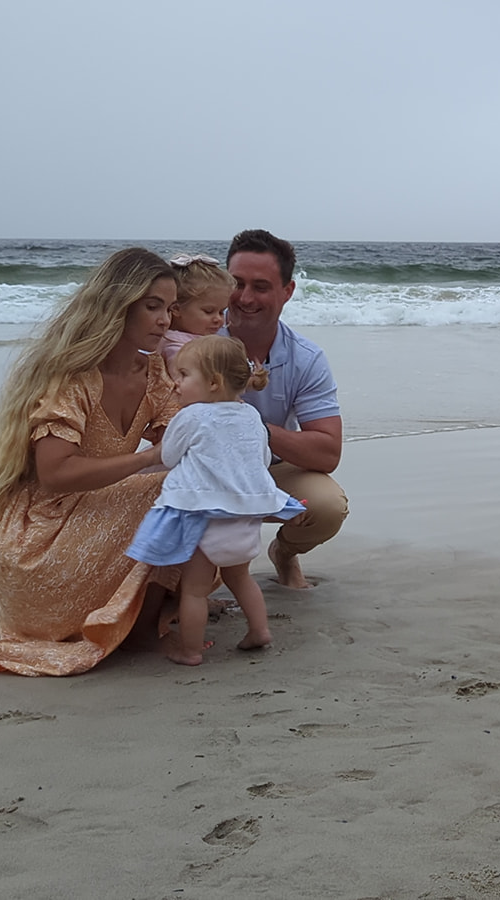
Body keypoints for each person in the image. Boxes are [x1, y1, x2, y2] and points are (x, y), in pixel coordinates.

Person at [0, 247, 181, 676]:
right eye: (152, 306)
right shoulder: (73, 376)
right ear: (117, 305)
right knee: (171, 486)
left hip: (88, 525)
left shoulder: (154, 373)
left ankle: (152, 612)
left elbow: (182, 440)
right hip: (37, 552)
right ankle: (140, 631)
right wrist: (150, 457)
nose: (165, 320)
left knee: (192, 480)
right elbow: (55, 473)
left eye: (172, 309)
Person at [126, 335, 306, 666]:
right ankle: (260, 630)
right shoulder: (251, 415)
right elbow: (263, 458)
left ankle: (190, 650)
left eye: (183, 375)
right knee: (241, 578)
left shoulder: (190, 417)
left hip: (205, 517)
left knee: (195, 590)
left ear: (212, 382)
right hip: (245, 515)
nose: (176, 384)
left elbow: (168, 455)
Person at [222, 229, 349, 589]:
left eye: (260, 286)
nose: (245, 298)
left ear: (287, 291)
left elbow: (327, 452)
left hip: (270, 470)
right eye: (236, 283)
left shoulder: (305, 359)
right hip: (200, 470)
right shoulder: (195, 341)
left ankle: (285, 552)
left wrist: (254, 425)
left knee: (327, 506)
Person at [160, 253, 232, 365]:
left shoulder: (198, 341)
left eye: (221, 312)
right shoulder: (177, 349)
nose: (218, 319)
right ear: (176, 309)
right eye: (208, 311)